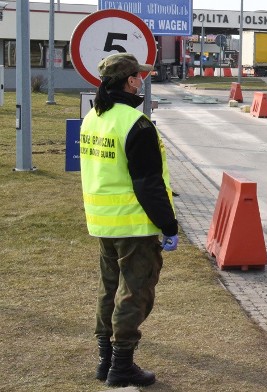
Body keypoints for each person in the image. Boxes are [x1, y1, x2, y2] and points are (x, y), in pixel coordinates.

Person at [79, 53, 179, 388]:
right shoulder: (136, 123)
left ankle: (104, 361)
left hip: (103, 223)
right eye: (139, 75)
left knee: (109, 290)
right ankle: (121, 367)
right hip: (134, 225)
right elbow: (148, 183)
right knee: (134, 294)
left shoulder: (93, 117)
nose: (143, 80)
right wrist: (168, 225)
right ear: (129, 81)